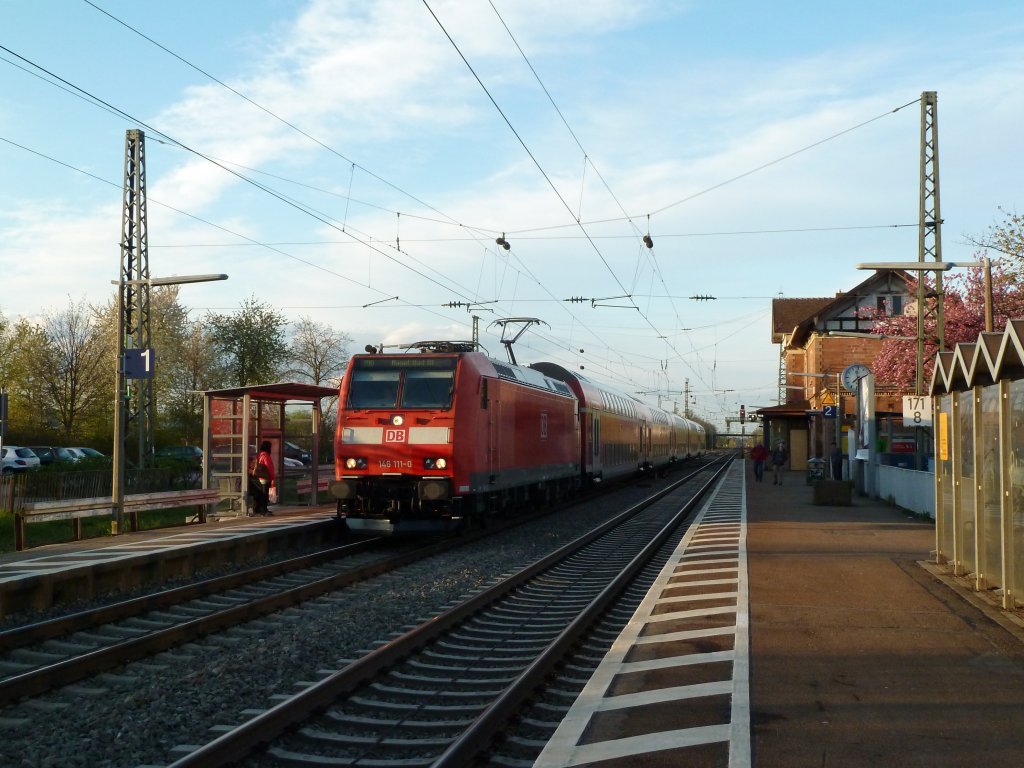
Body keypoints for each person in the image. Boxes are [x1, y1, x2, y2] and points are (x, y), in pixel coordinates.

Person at [248, 441, 277, 516]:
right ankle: (264, 510)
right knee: (265, 495)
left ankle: (259, 510)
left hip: (259, 478)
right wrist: (272, 477)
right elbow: (269, 468)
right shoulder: (266, 456)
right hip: (265, 478)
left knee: (262, 494)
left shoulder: (259, 455)